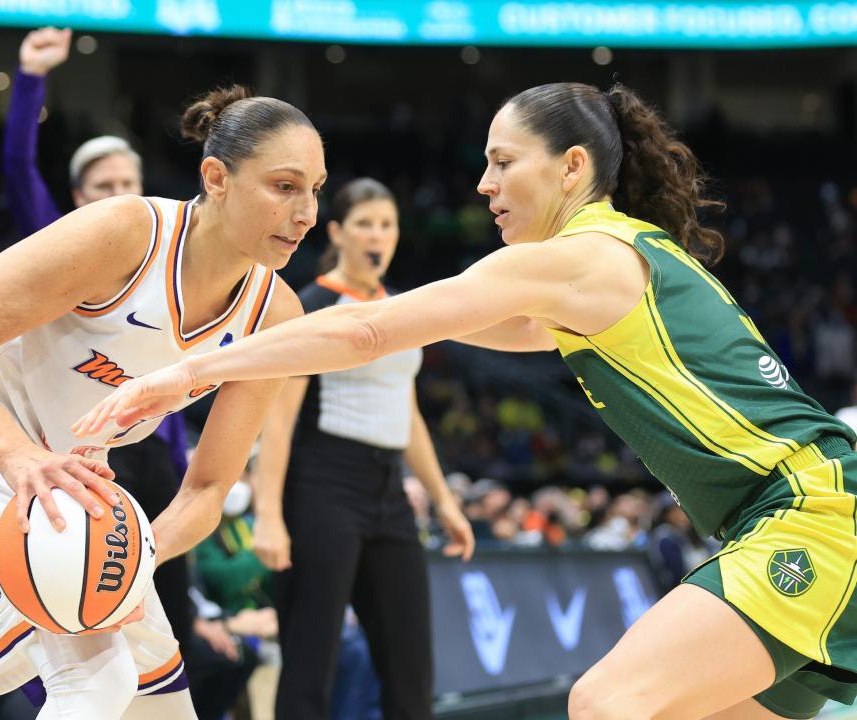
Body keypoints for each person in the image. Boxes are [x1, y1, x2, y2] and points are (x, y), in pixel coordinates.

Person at [78, 81, 857, 719]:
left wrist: (185, 374)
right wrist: (375, 317)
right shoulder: (617, 261)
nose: (482, 183)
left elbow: (367, 334)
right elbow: (436, 326)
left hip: (810, 516)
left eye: (502, 161)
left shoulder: (576, 256)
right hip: (807, 511)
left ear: (571, 167)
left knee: (605, 704)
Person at [0, 84, 326, 719]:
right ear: (217, 178)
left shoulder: (275, 311)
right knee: (94, 684)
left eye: (316, 189)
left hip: (69, 490)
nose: (307, 213)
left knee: (162, 707)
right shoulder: (127, 232)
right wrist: (18, 457)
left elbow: (207, 489)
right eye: (285, 186)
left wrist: (139, 552)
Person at [250, 178, 475, 720]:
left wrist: (444, 500)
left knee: (411, 669)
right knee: (310, 665)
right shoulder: (314, 304)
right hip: (322, 486)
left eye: (387, 224)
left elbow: (409, 412)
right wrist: (268, 515)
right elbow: (277, 420)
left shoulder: (402, 309)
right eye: (365, 223)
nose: (378, 235)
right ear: (337, 233)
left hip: (388, 490)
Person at [2, 25, 195, 653]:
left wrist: (180, 456)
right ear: (80, 198)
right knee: (90, 628)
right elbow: (17, 168)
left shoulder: (170, 263)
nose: (117, 196)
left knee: (172, 618)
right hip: (82, 456)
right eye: (103, 187)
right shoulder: (61, 247)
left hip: (156, 460)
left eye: (126, 185)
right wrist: (31, 79)